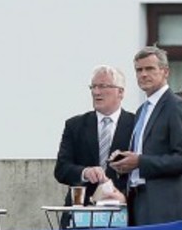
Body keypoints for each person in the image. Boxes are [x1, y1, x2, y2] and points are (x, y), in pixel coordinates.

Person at [109, 46, 182, 226]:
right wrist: (124, 163)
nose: (143, 74)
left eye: (150, 69)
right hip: (137, 200)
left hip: (165, 208)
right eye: (139, 70)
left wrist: (140, 162)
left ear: (165, 72)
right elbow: (143, 153)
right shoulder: (142, 110)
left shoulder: (176, 106)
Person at [54, 65, 135, 207]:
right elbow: (61, 169)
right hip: (82, 209)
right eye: (93, 87)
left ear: (120, 92)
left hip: (122, 209)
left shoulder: (135, 125)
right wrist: (85, 172)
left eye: (103, 86)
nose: (96, 92)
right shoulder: (75, 125)